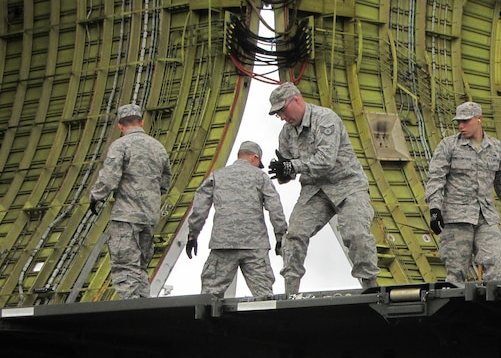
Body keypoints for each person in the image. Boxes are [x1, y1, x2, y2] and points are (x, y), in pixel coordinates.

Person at [267, 82, 380, 296]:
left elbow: (325, 161)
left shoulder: (325, 119)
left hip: (347, 185)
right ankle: (290, 293)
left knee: (356, 234)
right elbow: (290, 169)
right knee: (294, 236)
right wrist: (284, 173)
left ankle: (371, 289)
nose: (282, 116)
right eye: (278, 114)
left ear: (297, 100)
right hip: (315, 191)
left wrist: (293, 166)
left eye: (283, 110)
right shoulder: (286, 134)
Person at [424, 101, 501, 284]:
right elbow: (436, 178)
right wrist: (435, 209)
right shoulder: (449, 146)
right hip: (456, 218)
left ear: (479, 119)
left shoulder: (497, 149)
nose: (461, 126)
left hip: (486, 217)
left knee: (496, 258)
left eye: (466, 121)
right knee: (456, 270)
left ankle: (492, 306)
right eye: (458, 122)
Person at [89, 103, 172, 298]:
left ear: (120, 125)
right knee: (141, 267)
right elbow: (165, 180)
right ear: (141, 122)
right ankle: (143, 304)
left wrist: (96, 196)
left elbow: (109, 177)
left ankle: (132, 309)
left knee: (125, 267)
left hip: (126, 216)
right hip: (149, 217)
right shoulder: (158, 147)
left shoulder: (120, 145)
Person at [186, 141, 287, 299]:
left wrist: (193, 234)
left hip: (223, 245)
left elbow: (200, 208)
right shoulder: (261, 177)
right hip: (255, 246)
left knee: (208, 298)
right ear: (255, 157)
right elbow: (275, 208)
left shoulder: (217, 176)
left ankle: (208, 324)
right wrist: (280, 237)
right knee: (264, 297)